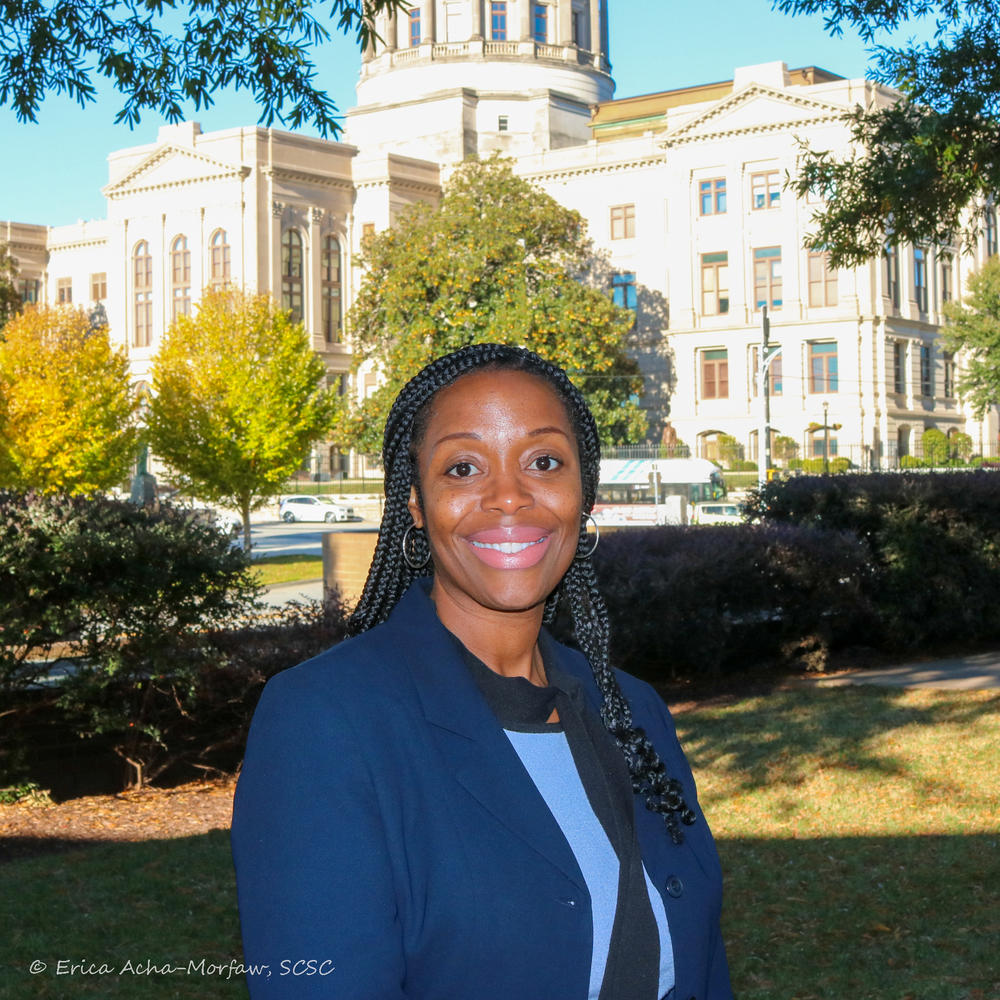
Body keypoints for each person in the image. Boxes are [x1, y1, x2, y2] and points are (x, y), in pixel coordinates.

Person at [231, 343, 733, 999]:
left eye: (544, 461)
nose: (508, 497)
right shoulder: (324, 724)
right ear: (414, 502)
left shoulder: (634, 711)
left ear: (584, 493)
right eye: (463, 468)